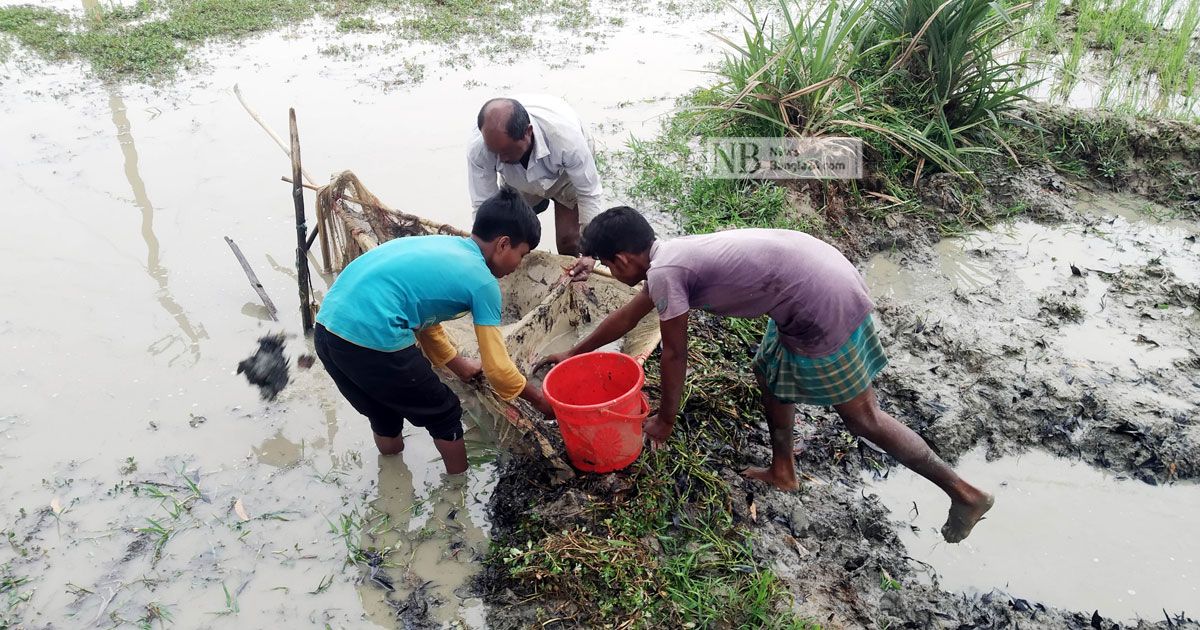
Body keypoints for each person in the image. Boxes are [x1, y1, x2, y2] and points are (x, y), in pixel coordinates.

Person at [536, 207, 995, 543]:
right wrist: (573, 354)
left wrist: (665, 420)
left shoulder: (667, 273)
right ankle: (784, 470)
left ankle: (964, 492)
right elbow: (629, 317)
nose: (611, 273)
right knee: (770, 371)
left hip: (821, 302)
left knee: (864, 418)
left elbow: (675, 356)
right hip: (813, 283)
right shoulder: (668, 257)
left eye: (607, 265)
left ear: (621, 259)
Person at [315, 188, 555, 475]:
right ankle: (458, 494)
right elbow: (498, 370)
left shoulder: (447, 246)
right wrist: (541, 401)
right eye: (522, 254)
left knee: (383, 411)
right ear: (503, 244)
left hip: (328, 329)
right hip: (373, 337)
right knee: (445, 411)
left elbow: (424, 317)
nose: (519, 266)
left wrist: (458, 364)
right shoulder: (483, 283)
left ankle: (392, 481)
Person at [467, 95, 602, 278]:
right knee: (514, 236)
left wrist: (590, 252)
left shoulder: (567, 139)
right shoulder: (480, 148)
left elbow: (589, 193)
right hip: (517, 181)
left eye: (506, 152)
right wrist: (482, 253)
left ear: (527, 132)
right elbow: (485, 206)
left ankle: (572, 277)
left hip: (565, 177)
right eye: (495, 153)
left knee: (568, 240)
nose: (502, 160)